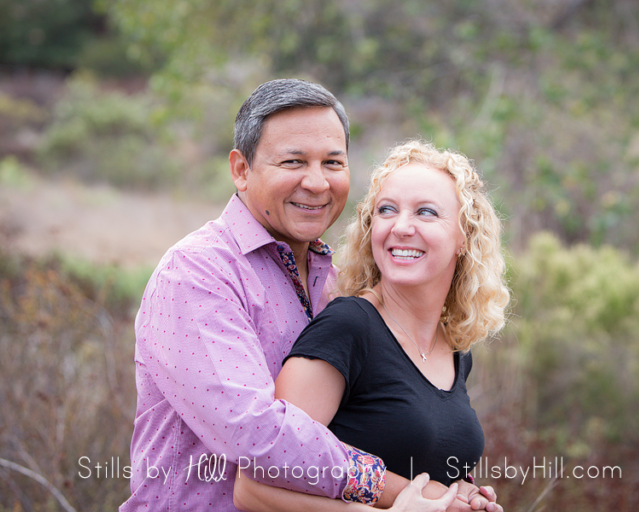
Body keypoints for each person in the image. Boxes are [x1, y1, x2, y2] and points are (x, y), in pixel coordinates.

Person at [120, 80, 482, 512]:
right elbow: (255, 437)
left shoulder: (339, 281)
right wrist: (409, 493)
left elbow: (374, 417)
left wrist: (458, 491)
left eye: (332, 162)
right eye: (293, 161)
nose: (316, 182)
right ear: (241, 170)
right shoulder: (198, 274)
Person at [234, 140, 510, 511]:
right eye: (386, 210)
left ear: (464, 237)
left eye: (426, 212)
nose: (401, 227)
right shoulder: (349, 327)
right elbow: (252, 487)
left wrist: (460, 493)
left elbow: (413, 463)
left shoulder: (456, 349)